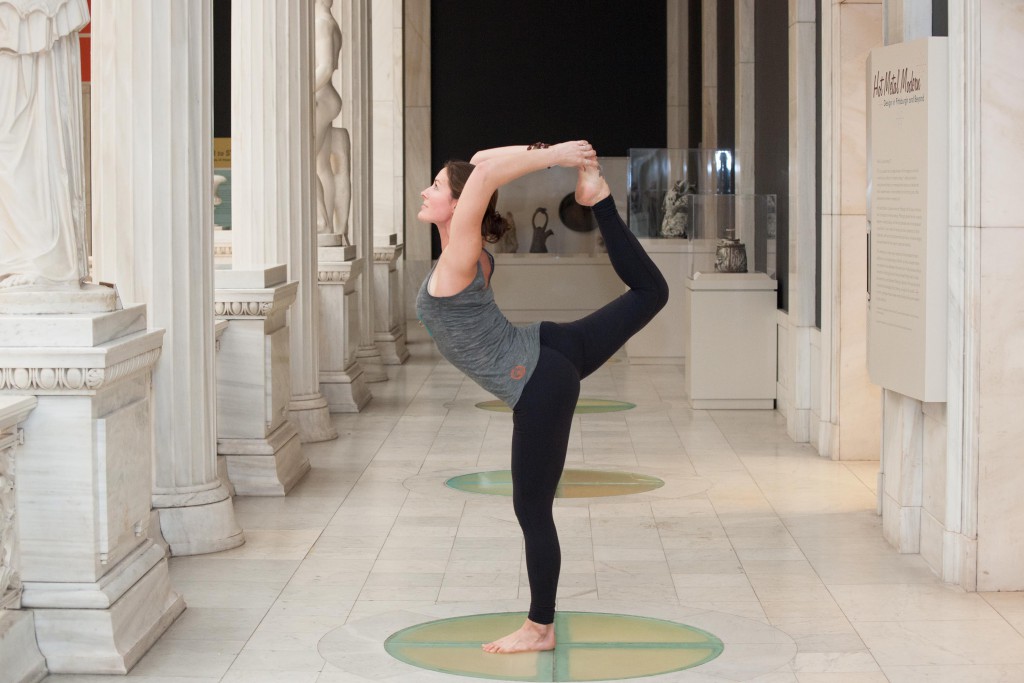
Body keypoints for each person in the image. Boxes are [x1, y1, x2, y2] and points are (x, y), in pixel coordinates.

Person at [415, 141, 668, 654]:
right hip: (548, 347)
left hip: (538, 378)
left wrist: (555, 156)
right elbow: (483, 163)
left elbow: (482, 177)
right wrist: (557, 154)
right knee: (651, 293)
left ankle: (540, 627)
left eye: (437, 186)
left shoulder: (462, 256)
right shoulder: (469, 251)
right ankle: (598, 199)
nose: (426, 190)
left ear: (462, 205)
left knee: (532, 509)